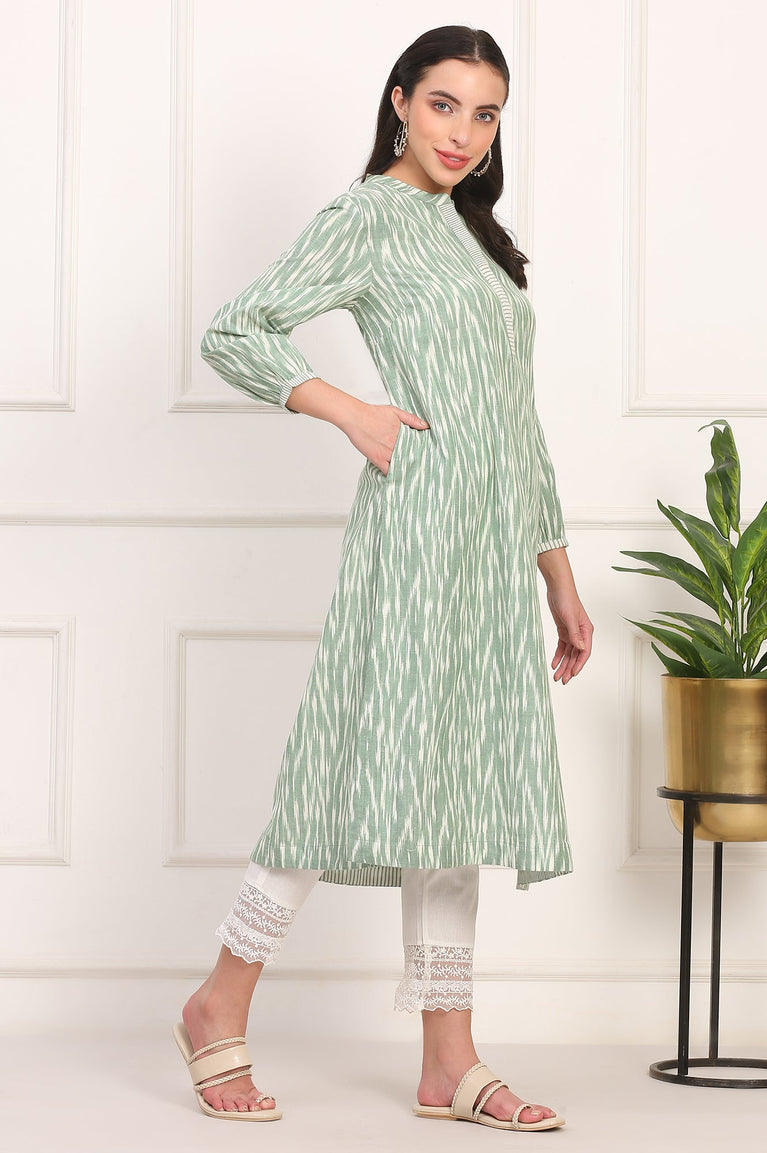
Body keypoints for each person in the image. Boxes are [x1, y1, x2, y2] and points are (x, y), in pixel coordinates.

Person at [173, 23, 593, 1131]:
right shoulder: (366, 215)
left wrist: (555, 574)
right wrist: (348, 410)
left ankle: (448, 1060)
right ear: (400, 101)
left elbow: (517, 424)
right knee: (347, 766)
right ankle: (220, 996)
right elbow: (237, 329)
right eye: (444, 103)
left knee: (453, 783)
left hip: (488, 553)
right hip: (413, 536)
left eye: (485, 113)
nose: (463, 132)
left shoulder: (471, 237)